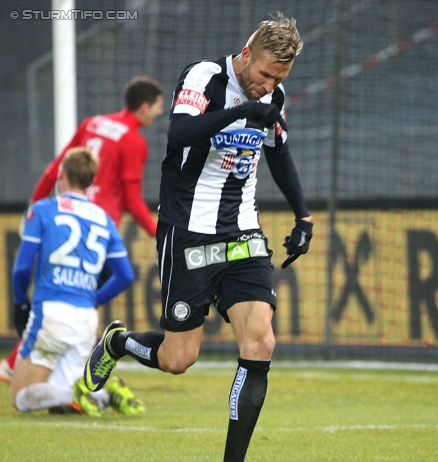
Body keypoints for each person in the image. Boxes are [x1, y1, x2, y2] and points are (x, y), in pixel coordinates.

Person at [84, 13, 312, 461]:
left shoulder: (274, 95)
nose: (269, 86)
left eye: (278, 79)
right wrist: (242, 110)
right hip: (188, 231)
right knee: (177, 359)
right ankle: (118, 342)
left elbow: (279, 153)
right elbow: (178, 134)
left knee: (261, 341)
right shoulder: (203, 77)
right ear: (247, 56)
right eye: (265, 74)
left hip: (242, 231)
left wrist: (303, 218)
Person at [0, 76, 164, 385]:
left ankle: (24, 362)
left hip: (62, 221)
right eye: (156, 107)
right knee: (83, 297)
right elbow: (131, 198)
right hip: (95, 230)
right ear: (144, 107)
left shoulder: (92, 123)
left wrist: (34, 206)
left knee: (63, 295)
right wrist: (159, 234)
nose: (158, 113)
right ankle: (36, 364)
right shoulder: (134, 141)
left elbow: (55, 168)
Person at [10, 147, 143, 417]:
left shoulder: (44, 210)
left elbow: (22, 268)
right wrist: (94, 299)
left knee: (20, 398)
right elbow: (125, 275)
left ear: (63, 174)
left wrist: (19, 302)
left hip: (51, 313)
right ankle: (104, 395)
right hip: (84, 318)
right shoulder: (103, 219)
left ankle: (91, 393)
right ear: (90, 181)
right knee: (62, 406)